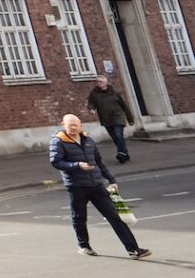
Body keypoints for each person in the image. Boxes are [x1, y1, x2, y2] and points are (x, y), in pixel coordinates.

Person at [51, 111, 150, 259]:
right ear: (63, 125)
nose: (73, 128)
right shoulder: (58, 141)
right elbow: (56, 162)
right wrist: (77, 165)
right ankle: (84, 245)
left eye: (76, 125)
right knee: (79, 217)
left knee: (114, 216)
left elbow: (99, 162)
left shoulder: (88, 140)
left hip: (96, 184)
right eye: (70, 126)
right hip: (76, 186)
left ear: (80, 126)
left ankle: (133, 249)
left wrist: (111, 179)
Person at [88, 77, 133, 163]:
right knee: (115, 137)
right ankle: (124, 152)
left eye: (100, 82)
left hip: (118, 116)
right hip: (106, 118)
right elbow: (91, 103)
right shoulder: (94, 93)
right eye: (97, 82)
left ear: (105, 83)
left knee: (118, 134)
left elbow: (124, 106)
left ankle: (121, 153)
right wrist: (91, 109)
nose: (98, 83)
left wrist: (130, 119)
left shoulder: (114, 93)